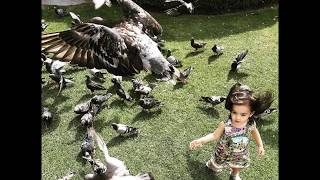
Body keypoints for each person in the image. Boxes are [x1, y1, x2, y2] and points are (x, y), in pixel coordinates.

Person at [189, 83, 273, 180]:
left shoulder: (250, 124)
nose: (237, 117)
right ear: (231, 110)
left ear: (251, 113)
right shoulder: (225, 125)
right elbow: (214, 135)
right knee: (216, 165)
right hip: (223, 152)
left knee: (237, 166)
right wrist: (200, 140)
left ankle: (234, 175)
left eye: (243, 114)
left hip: (240, 152)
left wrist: (260, 145)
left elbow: (255, 133)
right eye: (234, 112)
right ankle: (212, 165)